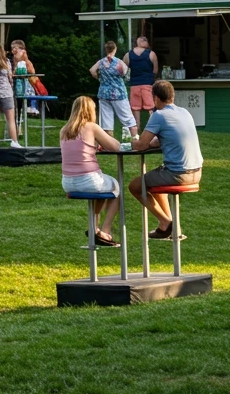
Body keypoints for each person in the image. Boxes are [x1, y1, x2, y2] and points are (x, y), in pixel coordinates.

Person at [129, 80, 202, 239]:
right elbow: (169, 137)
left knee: (135, 186)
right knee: (156, 184)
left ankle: (165, 222)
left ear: (155, 98)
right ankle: (174, 227)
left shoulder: (159, 115)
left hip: (178, 174)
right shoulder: (184, 112)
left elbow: (141, 145)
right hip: (197, 172)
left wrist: (130, 142)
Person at [60, 95, 122, 246]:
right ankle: (105, 230)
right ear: (90, 111)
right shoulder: (91, 127)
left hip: (68, 182)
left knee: (101, 191)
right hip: (88, 180)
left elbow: (77, 149)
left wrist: (93, 147)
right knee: (116, 188)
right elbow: (115, 146)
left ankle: (94, 227)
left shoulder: (64, 130)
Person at [90, 41, 135, 138]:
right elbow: (126, 75)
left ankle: (108, 144)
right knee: (128, 118)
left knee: (106, 120)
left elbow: (92, 70)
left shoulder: (101, 62)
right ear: (115, 49)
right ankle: (135, 139)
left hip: (104, 93)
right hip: (118, 93)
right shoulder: (119, 62)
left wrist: (99, 78)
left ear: (106, 50)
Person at [122, 34, 159, 132]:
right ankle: (152, 130)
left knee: (136, 109)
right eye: (146, 40)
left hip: (134, 85)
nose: (148, 42)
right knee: (151, 109)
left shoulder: (128, 55)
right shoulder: (151, 54)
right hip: (147, 84)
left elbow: (122, 70)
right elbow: (155, 71)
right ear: (141, 42)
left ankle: (136, 131)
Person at [10, 39, 39, 117]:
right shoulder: (13, 62)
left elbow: (32, 72)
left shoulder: (27, 62)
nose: (13, 50)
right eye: (12, 48)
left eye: (16, 48)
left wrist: (23, 59)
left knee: (29, 89)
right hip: (17, 84)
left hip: (27, 84)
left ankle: (32, 106)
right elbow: (13, 74)